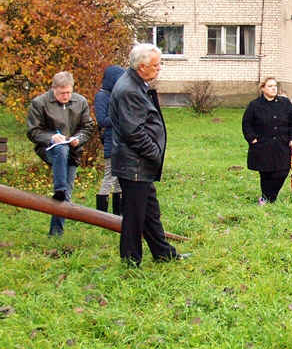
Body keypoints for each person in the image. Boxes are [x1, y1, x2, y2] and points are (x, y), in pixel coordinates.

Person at [110, 44, 190, 265]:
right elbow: (133, 132)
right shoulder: (129, 89)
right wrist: (155, 153)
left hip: (138, 163)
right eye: (156, 65)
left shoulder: (135, 84)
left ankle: (164, 254)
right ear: (142, 66)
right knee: (135, 217)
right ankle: (130, 261)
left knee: (150, 213)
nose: (160, 68)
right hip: (134, 163)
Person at [26, 71, 95, 236]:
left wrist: (78, 139)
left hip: (73, 151)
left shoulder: (80, 102)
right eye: (61, 93)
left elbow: (88, 127)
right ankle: (59, 187)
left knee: (66, 195)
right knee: (61, 148)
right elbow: (33, 132)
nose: (65, 96)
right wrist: (51, 138)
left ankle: (56, 233)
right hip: (49, 149)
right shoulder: (40, 103)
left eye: (68, 93)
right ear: (53, 89)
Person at [242, 77, 292, 204]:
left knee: (282, 171)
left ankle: (266, 198)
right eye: (270, 86)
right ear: (262, 88)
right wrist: (252, 139)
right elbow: (247, 123)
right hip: (262, 144)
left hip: (282, 143)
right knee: (266, 173)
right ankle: (268, 200)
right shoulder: (254, 105)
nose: (274, 88)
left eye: (275, 85)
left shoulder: (284, 103)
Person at [94, 65, 125, 214]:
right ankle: (102, 214)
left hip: (121, 142)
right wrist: (119, 116)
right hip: (111, 143)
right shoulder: (102, 97)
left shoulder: (116, 96)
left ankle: (118, 214)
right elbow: (101, 121)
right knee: (110, 177)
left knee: (120, 178)